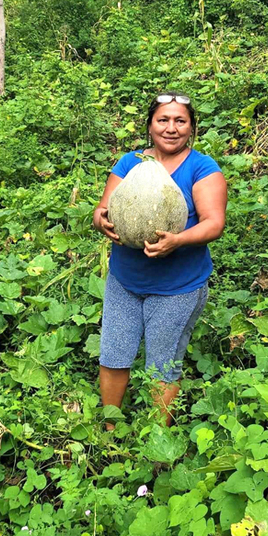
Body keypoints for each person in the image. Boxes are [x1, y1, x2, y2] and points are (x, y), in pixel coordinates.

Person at [93, 91, 227, 427]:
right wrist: (102, 221)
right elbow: (101, 210)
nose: (171, 128)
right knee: (113, 355)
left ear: (191, 128)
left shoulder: (202, 167)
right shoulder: (130, 162)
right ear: (150, 126)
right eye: (163, 120)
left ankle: (156, 441)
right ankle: (110, 430)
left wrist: (177, 240)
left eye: (180, 121)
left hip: (177, 287)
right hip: (125, 280)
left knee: (162, 365)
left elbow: (214, 222)